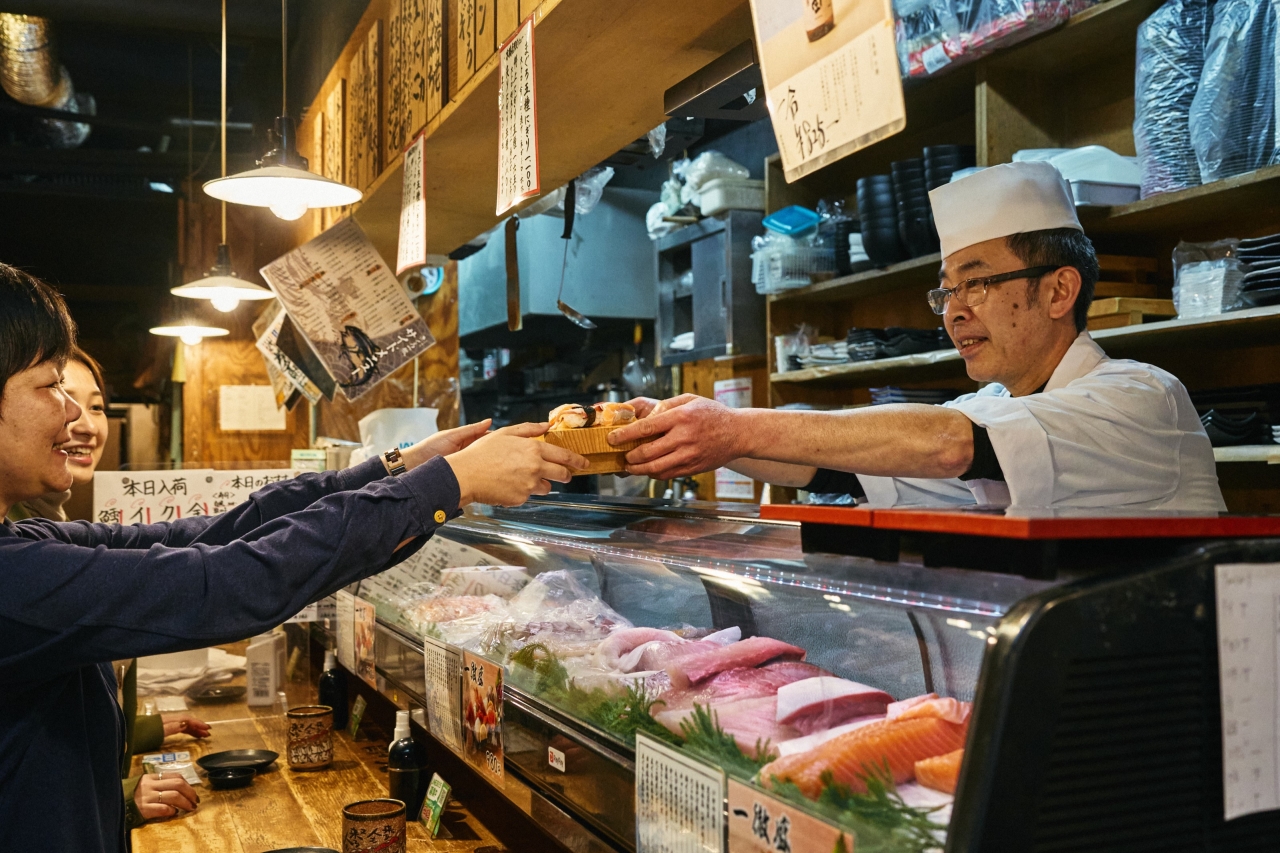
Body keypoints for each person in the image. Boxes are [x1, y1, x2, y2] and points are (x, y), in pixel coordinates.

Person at [0, 264, 589, 852]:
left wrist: (401, 470)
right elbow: (229, 583)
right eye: (50, 385)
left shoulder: (23, 542)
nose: (72, 414)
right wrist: (446, 486)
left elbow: (218, 535)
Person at [608, 162, 1225, 512]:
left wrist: (732, 427)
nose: (953, 312)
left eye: (976, 284)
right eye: (946, 291)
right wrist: (676, 433)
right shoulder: (991, 408)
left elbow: (948, 446)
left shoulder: (1143, 396)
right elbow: (833, 469)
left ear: (1059, 291)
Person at [5, 346, 214, 824]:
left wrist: (137, 732)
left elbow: (43, 718)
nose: (79, 419)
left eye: (96, 405)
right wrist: (122, 800)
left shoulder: (45, 527)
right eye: (54, 392)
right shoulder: (20, 557)